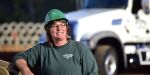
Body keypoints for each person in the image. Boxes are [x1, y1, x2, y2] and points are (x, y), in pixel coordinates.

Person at [13, 9, 98, 75]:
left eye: (62, 24)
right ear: (48, 30)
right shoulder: (42, 49)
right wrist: (25, 70)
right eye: (54, 25)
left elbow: (92, 73)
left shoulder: (80, 48)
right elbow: (19, 57)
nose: (59, 28)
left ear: (66, 27)